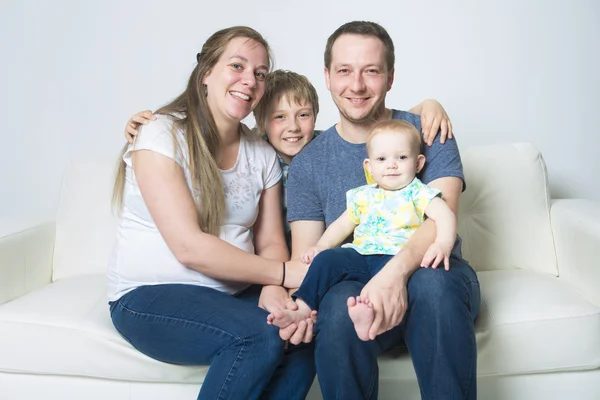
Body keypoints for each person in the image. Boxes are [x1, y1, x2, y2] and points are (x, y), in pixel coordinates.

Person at [106, 26, 316, 400]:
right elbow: (188, 247)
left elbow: (269, 240)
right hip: (149, 298)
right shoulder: (160, 135)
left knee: (302, 330)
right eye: (237, 66)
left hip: (234, 296)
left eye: (260, 73)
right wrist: (283, 273)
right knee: (257, 335)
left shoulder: (262, 154)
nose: (249, 81)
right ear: (206, 74)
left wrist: (272, 289)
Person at [284, 21, 481, 399]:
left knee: (432, 285)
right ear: (326, 76)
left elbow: (440, 217)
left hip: (437, 276)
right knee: (339, 309)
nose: (356, 85)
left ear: (390, 77)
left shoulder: (427, 130)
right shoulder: (309, 163)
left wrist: (393, 275)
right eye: (344, 70)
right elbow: (309, 255)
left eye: (371, 71)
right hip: (362, 286)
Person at [267, 119, 457, 341]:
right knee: (326, 260)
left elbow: (445, 215)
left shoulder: (417, 192)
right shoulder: (363, 195)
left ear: (418, 163)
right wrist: (321, 246)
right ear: (369, 166)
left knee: (395, 287)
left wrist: (443, 243)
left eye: (402, 157)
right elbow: (342, 224)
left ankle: (367, 316)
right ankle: (302, 307)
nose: (391, 165)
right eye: (382, 159)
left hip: (395, 258)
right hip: (361, 255)